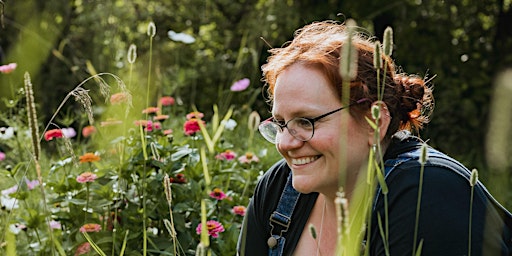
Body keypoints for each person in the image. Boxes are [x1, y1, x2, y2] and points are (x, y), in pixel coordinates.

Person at [237, 20, 512, 256]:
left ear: (374, 122)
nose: (285, 143)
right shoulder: (278, 190)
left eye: (306, 121)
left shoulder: (427, 197)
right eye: (282, 123)